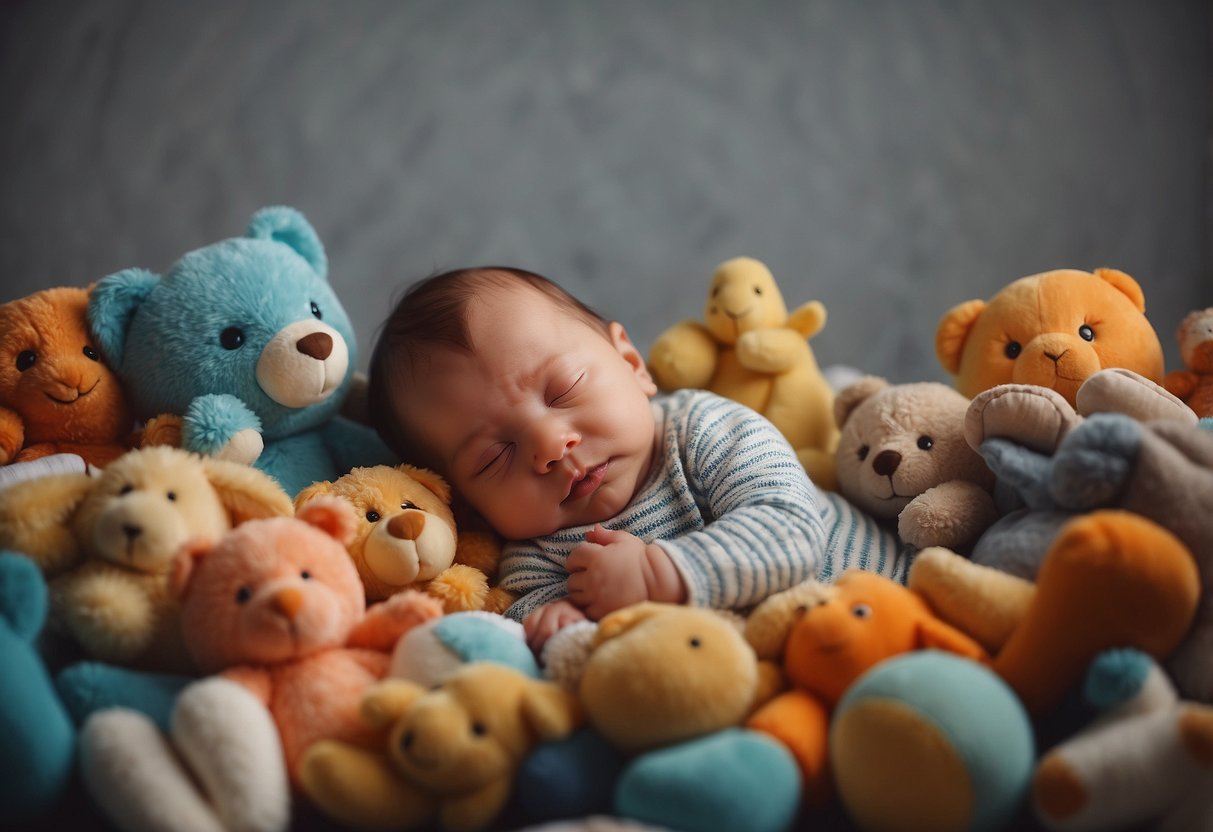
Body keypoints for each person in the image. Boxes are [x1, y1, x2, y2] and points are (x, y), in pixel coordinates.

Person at [368, 267, 910, 652]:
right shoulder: (537, 557)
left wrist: (658, 574)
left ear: (631, 362)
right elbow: (538, 633)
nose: (551, 446)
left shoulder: (703, 430)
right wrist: (558, 628)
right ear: (466, 505)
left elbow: (792, 533)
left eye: (563, 390)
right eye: (494, 458)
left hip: (905, 606)